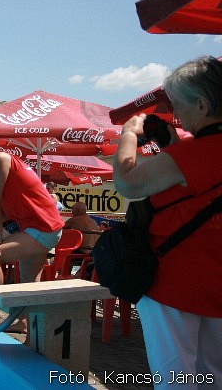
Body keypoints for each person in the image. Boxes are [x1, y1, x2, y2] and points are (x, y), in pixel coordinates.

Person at [113, 56, 222, 385]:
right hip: (215, 284)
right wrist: (173, 146)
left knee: (175, 378)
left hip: (174, 281)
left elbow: (127, 182)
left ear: (202, 105)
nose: (175, 116)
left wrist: (128, 135)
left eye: (178, 106)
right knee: (213, 376)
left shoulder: (196, 153)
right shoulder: (194, 153)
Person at [0, 128, 65, 332]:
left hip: (43, 227)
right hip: (41, 226)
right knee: (29, 280)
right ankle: (24, 323)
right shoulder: (3, 164)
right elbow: (1, 212)